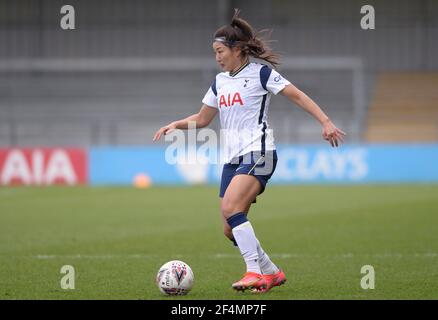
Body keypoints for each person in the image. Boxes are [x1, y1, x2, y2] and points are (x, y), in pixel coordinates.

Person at [153, 9, 346, 293]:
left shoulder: (260, 73)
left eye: (220, 51)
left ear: (237, 49)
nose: (217, 57)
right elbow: (203, 119)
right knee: (229, 228)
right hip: (232, 159)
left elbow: (298, 95)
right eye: (214, 52)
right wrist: (177, 124)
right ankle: (271, 272)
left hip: (260, 152)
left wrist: (326, 121)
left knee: (231, 208)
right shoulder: (219, 82)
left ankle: (253, 271)